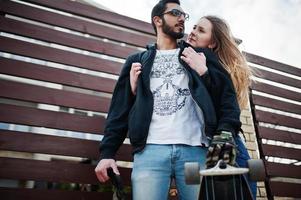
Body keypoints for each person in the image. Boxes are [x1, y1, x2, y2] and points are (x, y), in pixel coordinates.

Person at [95, 0, 241, 199]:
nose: (182, 18)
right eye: (175, 13)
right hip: (149, 152)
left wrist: (224, 135)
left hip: (195, 151)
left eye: (184, 15)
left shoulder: (199, 55)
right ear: (158, 20)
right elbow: (119, 110)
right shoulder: (137, 61)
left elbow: (227, 99)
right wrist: (107, 154)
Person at [130, 15, 257, 198]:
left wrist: (204, 72)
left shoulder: (208, 62)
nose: (193, 32)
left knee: (239, 192)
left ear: (212, 42)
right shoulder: (188, 57)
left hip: (228, 141)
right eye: (195, 27)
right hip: (211, 142)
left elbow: (227, 105)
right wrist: (137, 89)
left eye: (201, 30)